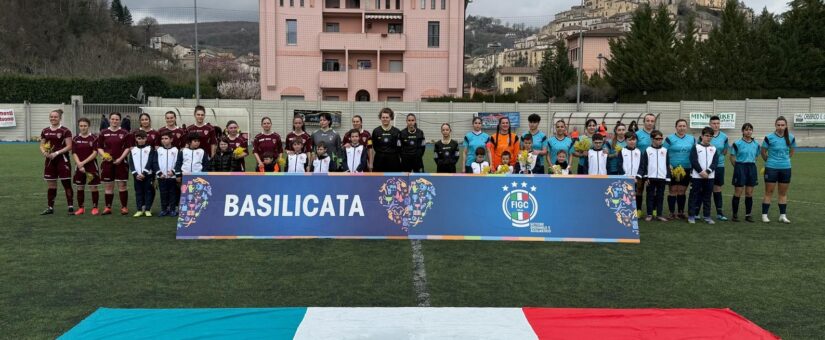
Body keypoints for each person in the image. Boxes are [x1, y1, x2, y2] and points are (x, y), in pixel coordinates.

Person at [39, 109, 74, 215]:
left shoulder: (65, 131)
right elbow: (42, 144)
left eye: (55, 117)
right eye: (51, 117)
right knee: (51, 185)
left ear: (60, 118)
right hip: (50, 161)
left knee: (66, 183)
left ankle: (70, 207)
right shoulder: (45, 131)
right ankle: (50, 207)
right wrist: (44, 152)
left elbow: (69, 146)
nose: (53, 118)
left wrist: (57, 153)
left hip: (62, 160)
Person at [761, 116, 795, 224]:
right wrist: (770, 161)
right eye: (778, 125)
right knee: (769, 192)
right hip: (771, 168)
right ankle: (764, 215)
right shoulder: (769, 137)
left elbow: (792, 151)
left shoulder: (791, 137)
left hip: (786, 168)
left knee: (783, 193)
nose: (780, 127)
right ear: (775, 125)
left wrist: (785, 160)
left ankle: (782, 216)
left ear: (786, 126)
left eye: (782, 125)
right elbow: (763, 152)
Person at [97, 112, 131, 215]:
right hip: (107, 163)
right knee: (108, 186)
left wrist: (121, 158)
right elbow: (99, 147)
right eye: (112, 119)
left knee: (122, 185)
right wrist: (104, 156)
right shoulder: (103, 132)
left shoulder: (125, 133)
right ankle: (108, 208)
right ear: (109, 120)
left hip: (121, 162)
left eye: (116, 119)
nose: (114, 121)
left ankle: (124, 207)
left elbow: (128, 147)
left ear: (119, 120)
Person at [664, 119, 695, 220]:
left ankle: (681, 212)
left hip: (686, 168)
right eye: (680, 126)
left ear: (686, 127)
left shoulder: (692, 139)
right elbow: (664, 153)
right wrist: (668, 165)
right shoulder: (669, 139)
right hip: (672, 168)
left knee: (682, 190)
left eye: (684, 126)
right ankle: (671, 212)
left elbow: (695, 153)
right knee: (673, 190)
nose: (682, 128)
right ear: (676, 127)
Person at [687, 127, 719, 224]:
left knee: (707, 196)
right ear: (702, 136)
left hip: (710, 177)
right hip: (697, 176)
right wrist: (701, 172)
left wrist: (708, 172)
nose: (708, 138)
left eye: (710, 136)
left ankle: (707, 216)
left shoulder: (713, 149)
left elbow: (715, 162)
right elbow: (693, 160)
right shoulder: (696, 147)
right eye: (706, 136)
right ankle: (691, 215)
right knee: (694, 196)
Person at [638, 130, 671, 222]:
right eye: (657, 139)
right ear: (652, 139)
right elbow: (644, 165)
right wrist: (645, 177)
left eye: (661, 138)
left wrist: (668, 178)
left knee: (660, 196)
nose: (659, 140)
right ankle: (649, 214)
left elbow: (667, 164)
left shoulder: (665, 151)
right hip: (650, 178)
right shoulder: (648, 150)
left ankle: (659, 214)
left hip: (662, 177)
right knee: (650, 196)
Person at [730, 123, 759, 222]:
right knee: (738, 192)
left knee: (749, 193)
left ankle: (748, 215)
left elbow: (756, 156)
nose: (748, 131)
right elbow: (732, 157)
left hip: (751, 167)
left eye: (750, 129)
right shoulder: (737, 143)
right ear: (742, 131)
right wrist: (738, 167)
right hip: (740, 167)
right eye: (746, 130)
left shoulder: (756, 144)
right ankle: (734, 215)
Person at [72, 118, 100, 216]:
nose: (83, 128)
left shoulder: (94, 138)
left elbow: (95, 153)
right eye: (81, 126)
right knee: (80, 187)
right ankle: (81, 208)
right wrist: (79, 164)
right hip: (79, 166)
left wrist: (82, 163)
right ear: (79, 126)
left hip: (91, 166)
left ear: (88, 126)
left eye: (85, 126)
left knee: (93, 187)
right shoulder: (75, 139)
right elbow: (74, 153)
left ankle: (95, 208)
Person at [129, 130, 158, 217]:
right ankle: (139, 209)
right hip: (137, 176)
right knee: (138, 192)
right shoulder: (133, 150)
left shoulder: (150, 149)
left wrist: (144, 173)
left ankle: (148, 209)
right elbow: (131, 163)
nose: (141, 140)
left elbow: (150, 162)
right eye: (139, 139)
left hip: (148, 175)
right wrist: (135, 174)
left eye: (143, 138)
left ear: (146, 139)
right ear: (136, 139)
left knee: (148, 192)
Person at [616, 132, 644, 217]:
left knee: (637, 193)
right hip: (626, 178)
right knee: (625, 195)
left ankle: (638, 210)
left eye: (633, 139)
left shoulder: (639, 152)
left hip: (636, 179)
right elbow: (619, 165)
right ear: (625, 140)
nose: (632, 142)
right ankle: (626, 211)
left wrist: (638, 176)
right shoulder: (622, 151)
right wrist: (626, 176)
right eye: (629, 140)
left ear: (636, 140)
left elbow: (642, 166)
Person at [709, 116, 730, 221]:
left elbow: (725, 151)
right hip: (707, 167)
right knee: (706, 189)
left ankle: (719, 213)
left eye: (717, 123)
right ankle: (704, 212)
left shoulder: (724, 137)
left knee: (717, 188)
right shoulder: (705, 135)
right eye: (713, 123)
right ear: (710, 124)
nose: (715, 125)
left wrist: (717, 159)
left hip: (719, 166)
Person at [635, 113, 656, 216]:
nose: (650, 123)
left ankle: (653, 210)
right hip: (640, 166)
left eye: (652, 121)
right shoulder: (637, 134)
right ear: (644, 122)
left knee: (653, 189)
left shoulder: (657, 134)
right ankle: (638, 210)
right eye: (648, 120)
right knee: (639, 188)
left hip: (653, 166)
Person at [156, 131, 180, 217]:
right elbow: (155, 162)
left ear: (171, 139)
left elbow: (178, 162)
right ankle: (164, 209)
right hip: (161, 177)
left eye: (166, 138)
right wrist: (159, 173)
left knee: (173, 193)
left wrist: (173, 171)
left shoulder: (176, 150)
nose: (164, 140)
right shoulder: (159, 150)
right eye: (162, 139)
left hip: (172, 177)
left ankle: (172, 209)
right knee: (163, 193)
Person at [370, 108, 402, 172]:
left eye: (387, 117)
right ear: (380, 118)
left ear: (391, 118)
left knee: (393, 179)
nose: (385, 119)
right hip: (379, 159)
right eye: (383, 117)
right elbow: (374, 146)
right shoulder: (376, 131)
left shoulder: (397, 131)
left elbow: (399, 147)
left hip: (393, 160)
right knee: (378, 180)